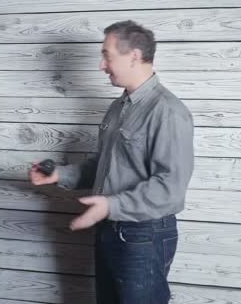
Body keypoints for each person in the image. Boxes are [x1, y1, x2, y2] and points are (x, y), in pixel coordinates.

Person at [29, 20, 194, 304]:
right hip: (110, 229)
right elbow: (104, 166)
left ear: (134, 56)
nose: (101, 66)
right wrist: (59, 175)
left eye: (107, 55)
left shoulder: (168, 111)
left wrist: (110, 205)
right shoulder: (118, 107)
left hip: (144, 235)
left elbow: (171, 188)